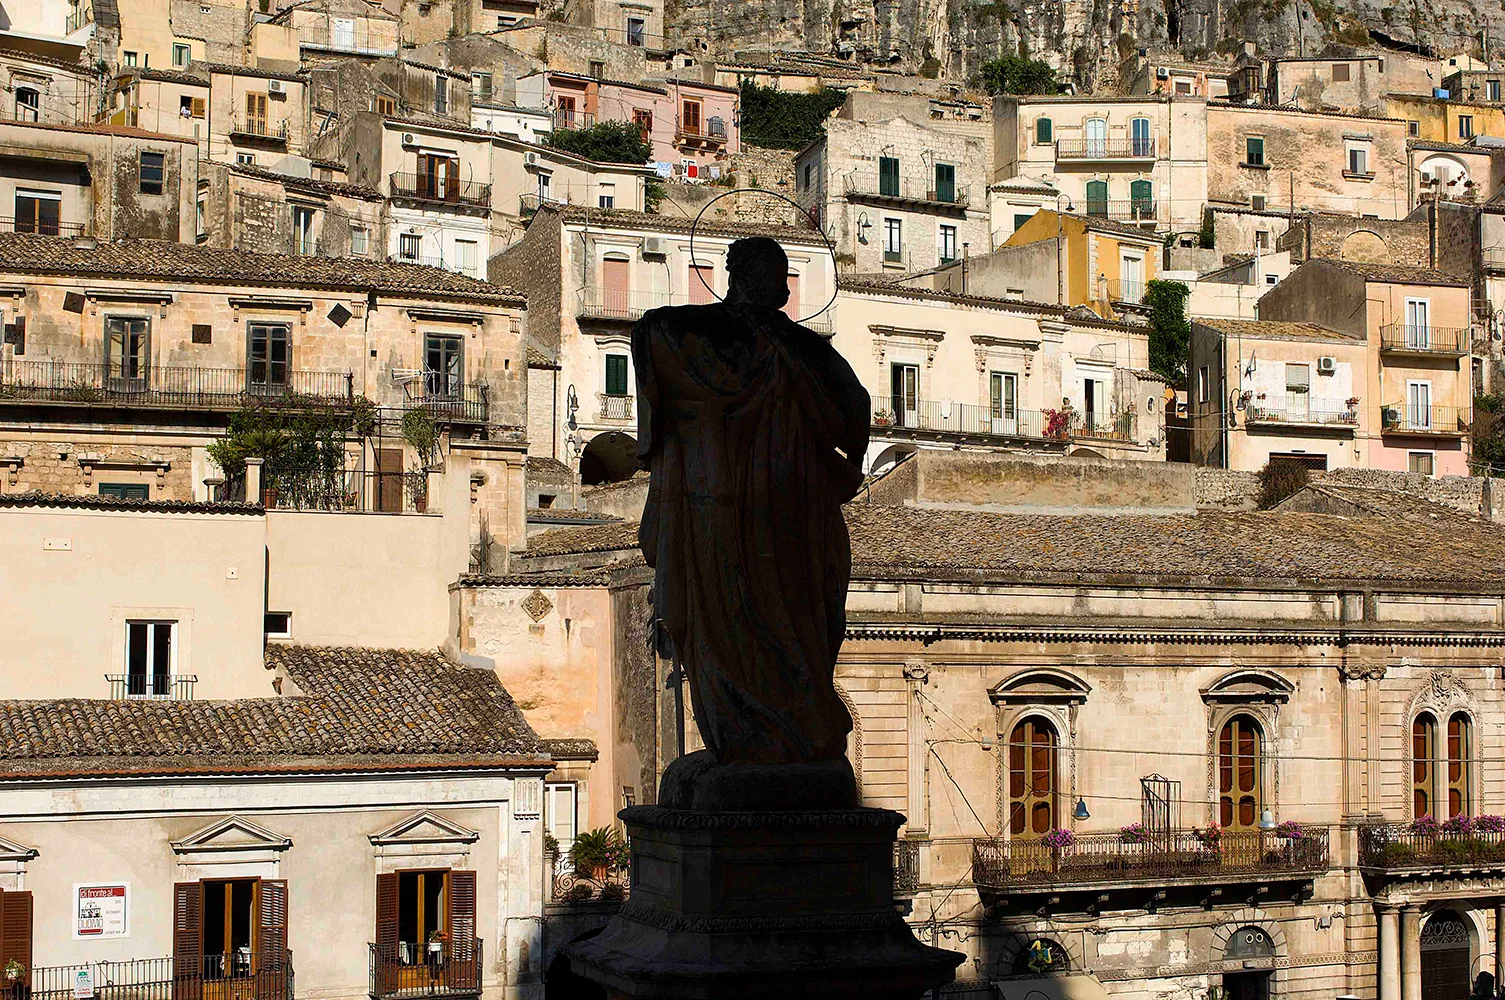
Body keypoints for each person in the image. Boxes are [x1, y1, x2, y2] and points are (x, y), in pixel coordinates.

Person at [633, 236, 869, 788]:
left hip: (724, 518)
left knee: (725, 622)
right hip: (793, 523)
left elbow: (652, 332)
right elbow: (854, 416)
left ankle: (746, 739)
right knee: (797, 626)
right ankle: (778, 737)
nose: (784, 290)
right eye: (780, 277)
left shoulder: (694, 337)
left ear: (731, 275)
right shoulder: (808, 351)